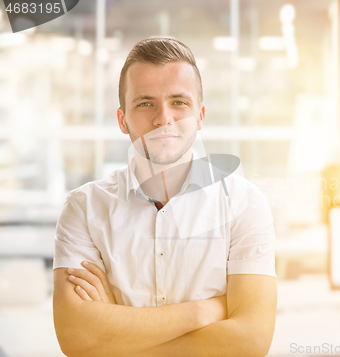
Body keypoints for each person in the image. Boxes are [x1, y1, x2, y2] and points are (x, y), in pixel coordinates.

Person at [52, 37, 277, 357]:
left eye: (179, 103)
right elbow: (77, 339)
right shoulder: (85, 208)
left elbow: (251, 343)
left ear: (200, 116)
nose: (163, 119)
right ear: (122, 119)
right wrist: (204, 312)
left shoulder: (243, 204)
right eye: (145, 103)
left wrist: (117, 333)